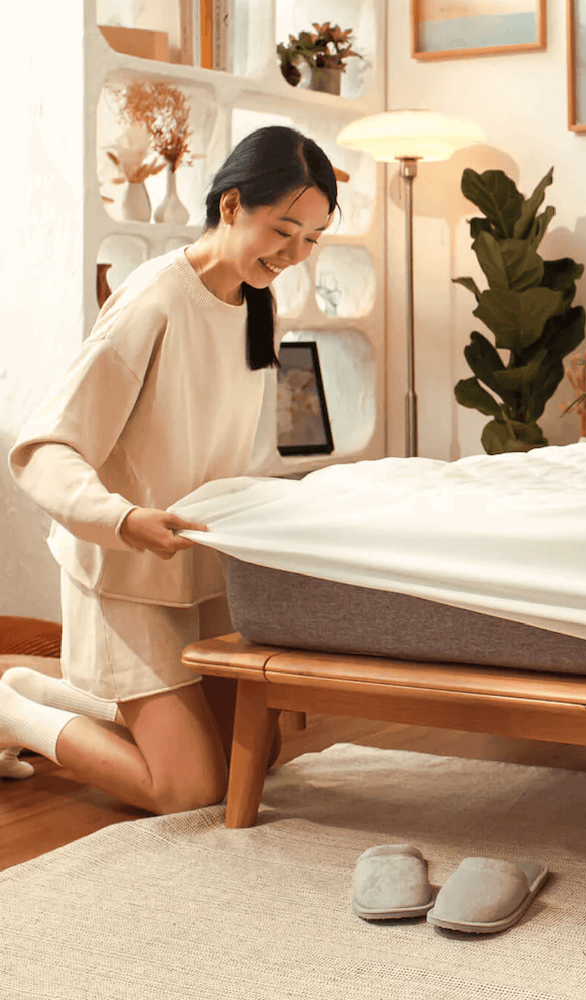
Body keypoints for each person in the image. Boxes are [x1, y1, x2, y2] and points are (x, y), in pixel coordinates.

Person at [0, 126, 338, 814]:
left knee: (256, 755)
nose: (297, 255)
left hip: (198, 574)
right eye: (285, 230)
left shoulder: (259, 305)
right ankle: (11, 714)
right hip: (128, 576)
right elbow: (42, 448)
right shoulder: (153, 299)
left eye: (313, 238)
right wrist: (122, 519)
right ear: (232, 204)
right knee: (192, 790)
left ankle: (32, 689)